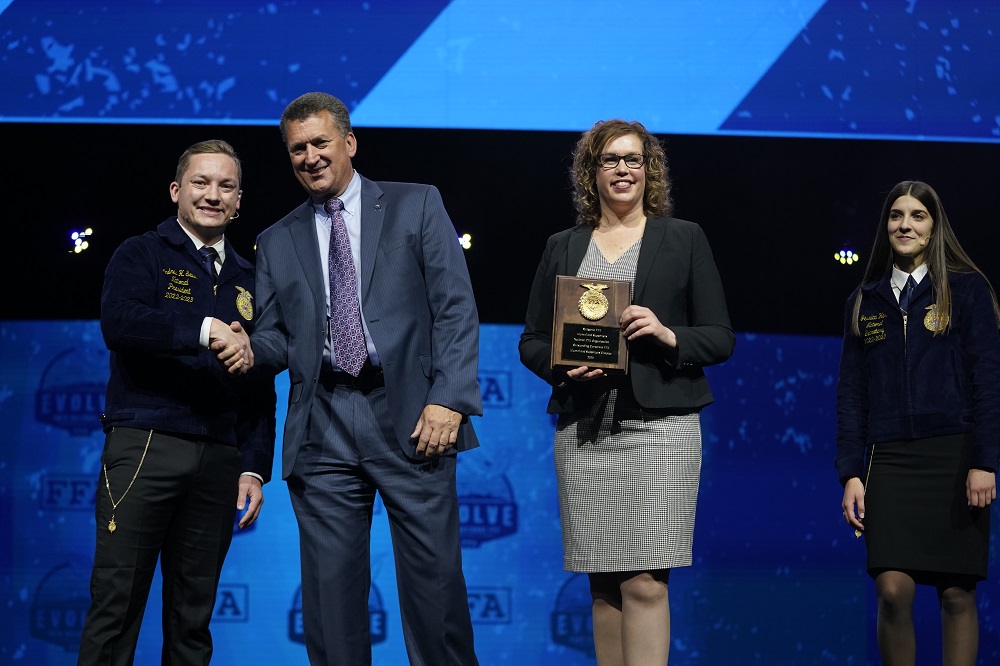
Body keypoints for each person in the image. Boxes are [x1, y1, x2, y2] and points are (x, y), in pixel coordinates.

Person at [248, 92, 481, 665]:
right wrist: (246, 348)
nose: (310, 157)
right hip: (323, 422)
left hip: (413, 416)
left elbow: (455, 307)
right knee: (329, 602)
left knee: (435, 593)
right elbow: (277, 338)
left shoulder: (416, 205)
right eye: (297, 148)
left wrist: (448, 399)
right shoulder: (276, 239)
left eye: (320, 143)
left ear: (349, 143)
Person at [519, 119, 734, 665]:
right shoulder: (562, 246)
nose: (622, 169)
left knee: (644, 582)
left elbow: (719, 337)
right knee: (604, 583)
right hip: (586, 429)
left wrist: (667, 335)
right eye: (610, 160)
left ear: (649, 171)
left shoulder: (685, 238)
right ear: (591, 174)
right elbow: (532, 341)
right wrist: (563, 370)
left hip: (661, 428)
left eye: (633, 159)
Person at [77, 139, 276, 665]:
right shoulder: (140, 253)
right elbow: (120, 324)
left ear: (239, 200)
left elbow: (260, 381)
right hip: (145, 443)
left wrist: (253, 467)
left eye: (226, 186)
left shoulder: (251, 279)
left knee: (193, 620)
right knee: (116, 609)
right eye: (201, 183)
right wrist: (206, 328)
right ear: (176, 191)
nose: (213, 195)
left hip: (219, 459)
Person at [836, 181, 1000, 665]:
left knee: (956, 594)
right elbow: (850, 395)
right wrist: (850, 472)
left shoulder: (967, 290)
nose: (905, 225)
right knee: (891, 589)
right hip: (888, 461)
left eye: (917, 216)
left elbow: (988, 381)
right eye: (895, 216)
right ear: (885, 227)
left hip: (955, 456)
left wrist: (985, 461)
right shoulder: (864, 301)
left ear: (934, 227)